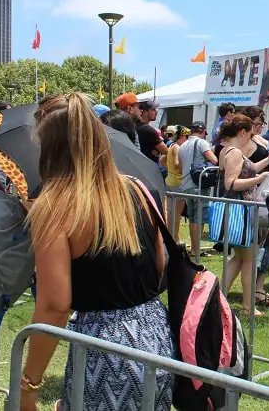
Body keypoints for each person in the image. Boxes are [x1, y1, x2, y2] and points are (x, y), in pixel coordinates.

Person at [21, 93, 174, 411]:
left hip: (102, 350)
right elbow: (160, 264)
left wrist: (29, 385)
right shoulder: (137, 188)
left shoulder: (55, 206)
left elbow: (54, 306)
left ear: (48, 147)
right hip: (158, 339)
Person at [218, 115, 269, 317]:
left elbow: (248, 169)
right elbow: (231, 183)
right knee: (249, 260)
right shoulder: (235, 152)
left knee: (239, 258)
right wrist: (259, 179)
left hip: (236, 210)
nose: (252, 138)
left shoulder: (227, 150)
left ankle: (219, 298)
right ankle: (247, 306)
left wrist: (267, 161)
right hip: (241, 210)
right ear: (242, 132)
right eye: (250, 134)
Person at [178, 121, 218, 257]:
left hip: (185, 184)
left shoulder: (182, 145)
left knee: (192, 217)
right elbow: (214, 161)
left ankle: (195, 248)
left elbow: (180, 167)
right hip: (198, 184)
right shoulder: (202, 143)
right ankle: (196, 249)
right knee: (199, 218)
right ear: (203, 131)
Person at [163, 126, 189, 237]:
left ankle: (170, 235)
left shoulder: (171, 146)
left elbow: (161, 160)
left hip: (169, 181)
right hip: (178, 182)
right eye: (186, 137)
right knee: (177, 214)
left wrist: (170, 170)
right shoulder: (178, 147)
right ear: (182, 136)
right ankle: (175, 238)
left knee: (170, 212)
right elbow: (177, 163)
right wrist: (187, 168)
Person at [137, 100, 168, 164]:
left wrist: (158, 150)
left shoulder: (135, 126)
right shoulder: (148, 130)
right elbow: (166, 151)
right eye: (153, 109)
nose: (156, 112)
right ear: (145, 112)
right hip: (149, 168)